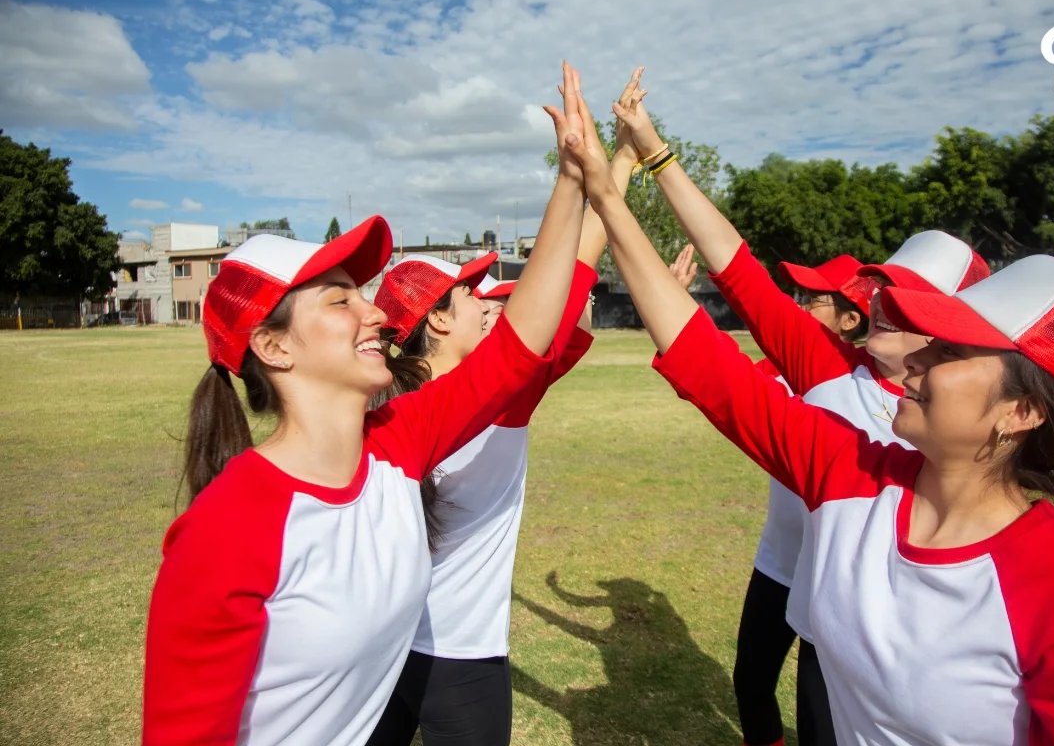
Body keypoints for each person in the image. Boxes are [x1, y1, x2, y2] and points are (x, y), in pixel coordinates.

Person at [563, 73, 1054, 744]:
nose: (921, 355)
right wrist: (610, 197)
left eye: (952, 349)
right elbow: (711, 363)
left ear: (1021, 412)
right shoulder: (851, 473)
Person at [142, 64, 588, 746]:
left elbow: (519, 347)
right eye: (340, 300)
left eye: (364, 293)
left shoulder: (397, 442)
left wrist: (572, 180)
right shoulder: (226, 529)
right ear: (273, 345)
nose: (376, 312)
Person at [613, 98, 990, 746]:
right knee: (765, 693)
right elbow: (735, 269)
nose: (880, 304)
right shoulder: (824, 364)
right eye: (882, 291)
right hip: (814, 600)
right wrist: (654, 153)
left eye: (902, 302)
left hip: (903, 637)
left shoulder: (969, 432)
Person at [365, 65, 645, 746]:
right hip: (459, 659)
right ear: (435, 323)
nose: (485, 301)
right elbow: (577, 266)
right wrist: (621, 162)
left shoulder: (377, 410)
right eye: (468, 296)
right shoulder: (504, 392)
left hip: (375, 653)